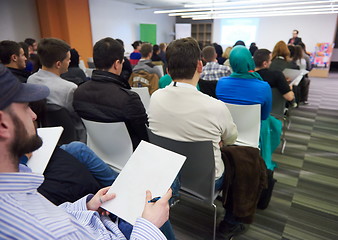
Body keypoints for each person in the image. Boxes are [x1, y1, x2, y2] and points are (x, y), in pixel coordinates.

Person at [0, 64, 171, 239]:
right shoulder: (46, 230)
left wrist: (86, 206)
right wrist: (150, 227)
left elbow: (53, 213)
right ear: (2, 123)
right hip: (118, 232)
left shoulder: (15, 195)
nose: (34, 115)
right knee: (156, 194)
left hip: (92, 216)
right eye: (25, 107)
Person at [148, 37, 239, 237]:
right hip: (206, 180)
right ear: (200, 65)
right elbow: (232, 138)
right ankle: (232, 220)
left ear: (168, 70)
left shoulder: (155, 98)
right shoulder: (215, 107)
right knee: (240, 162)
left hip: (167, 175)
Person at [73, 37, 148, 150]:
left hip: (97, 152)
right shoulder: (128, 99)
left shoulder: (78, 92)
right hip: (130, 155)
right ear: (117, 64)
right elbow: (145, 136)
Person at [216, 45, 272, 121]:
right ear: (250, 60)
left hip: (226, 130)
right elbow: (264, 116)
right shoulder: (264, 87)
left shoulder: (221, 83)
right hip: (253, 130)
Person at [27, 38, 77, 112]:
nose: (70, 61)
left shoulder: (31, 79)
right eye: (68, 59)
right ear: (58, 64)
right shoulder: (70, 88)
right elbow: (74, 117)